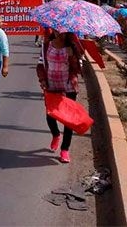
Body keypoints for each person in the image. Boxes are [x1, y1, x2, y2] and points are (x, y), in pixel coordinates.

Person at [36, 29, 82, 163]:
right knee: (50, 116)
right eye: (56, 29)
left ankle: (65, 150)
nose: (59, 32)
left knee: (69, 120)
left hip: (68, 86)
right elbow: (40, 64)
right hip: (51, 85)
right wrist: (43, 80)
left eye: (62, 31)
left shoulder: (72, 46)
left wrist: (73, 56)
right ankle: (56, 134)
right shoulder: (47, 44)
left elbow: (78, 69)